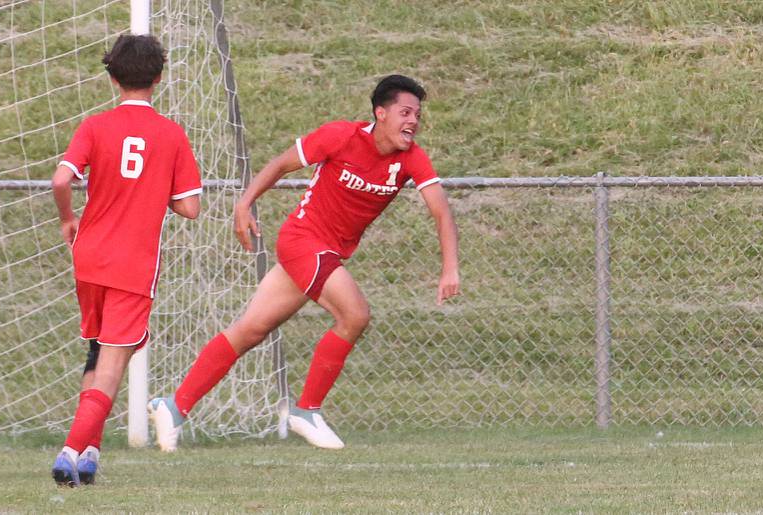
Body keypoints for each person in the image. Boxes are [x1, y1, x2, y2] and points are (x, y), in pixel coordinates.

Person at [149, 74, 459, 451]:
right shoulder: (340, 136)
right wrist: (243, 204)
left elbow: (441, 212)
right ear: (380, 113)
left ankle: (173, 406)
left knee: (250, 330)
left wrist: (450, 268)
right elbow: (280, 165)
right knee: (355, 315)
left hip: (323, 254)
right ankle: (306, 411)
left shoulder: (411, 157)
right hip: (302, 242)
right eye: (405, 112)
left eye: (417, 115)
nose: (413, 121)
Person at [50, 34, 202, 486]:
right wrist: (154, 191)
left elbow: (61, 180)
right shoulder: (171, 133)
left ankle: (91, 452)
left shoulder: (95, 126)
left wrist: (67, 221)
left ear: (112, 76)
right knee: (115, 360)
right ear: (158, 78)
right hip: (132, 265)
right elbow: (190, 207)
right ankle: (71, 451)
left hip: (89, 257)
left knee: (101, 351)